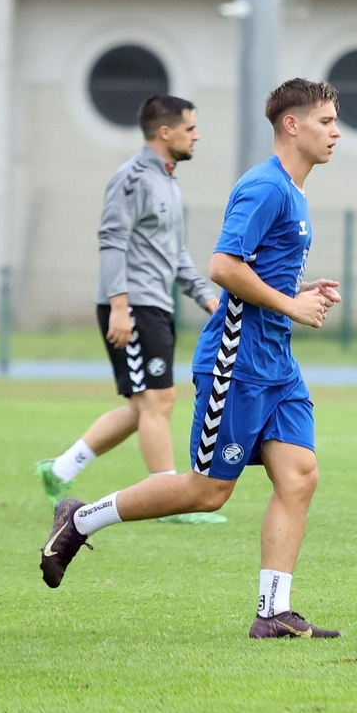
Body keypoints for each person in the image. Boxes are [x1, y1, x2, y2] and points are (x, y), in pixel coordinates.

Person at [39, 79, 344, 639]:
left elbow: (261, 270)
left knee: (299, 476)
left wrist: (302, 290)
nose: (336, 131)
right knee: (206, 490)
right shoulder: (265, 187)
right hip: (237, 360)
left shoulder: (294, 193)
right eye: (326, 121)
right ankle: (80, 519)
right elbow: (224, 266)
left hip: (278, 364)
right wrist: (292, 308)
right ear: (292, 125)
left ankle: (273, 611)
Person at [34, 96, 221, 525]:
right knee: (159, 400)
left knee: (145, 406)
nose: (196, 136)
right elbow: (111, 240)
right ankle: (168, 495)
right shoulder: (132, 178)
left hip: (155, 304)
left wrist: (207, 299)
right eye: (190, 128)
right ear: (165, 132)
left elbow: (175, 256)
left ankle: (60, 469)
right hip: (132, 305)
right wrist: (120, 306)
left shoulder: (170, 183)